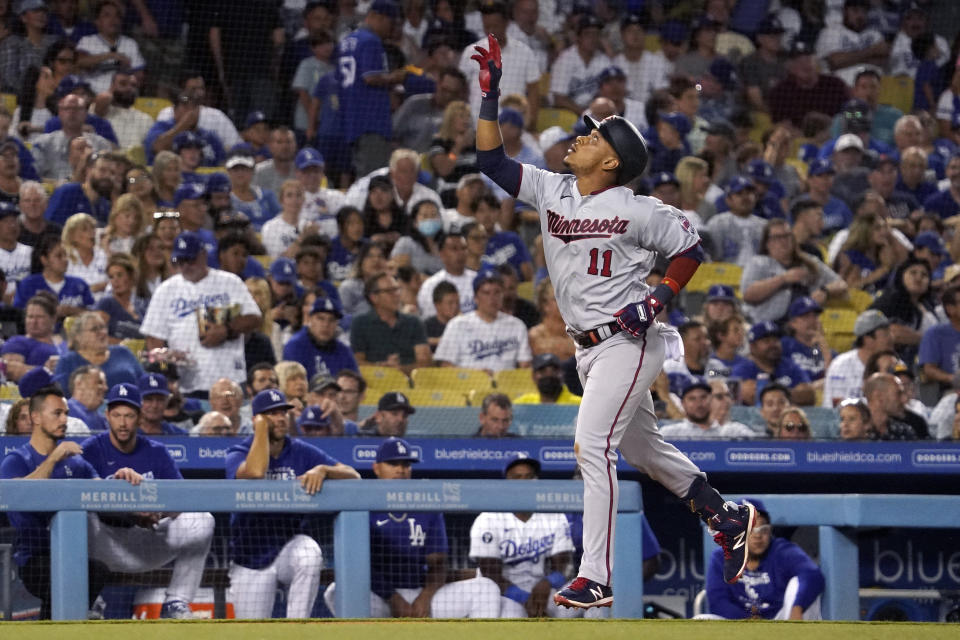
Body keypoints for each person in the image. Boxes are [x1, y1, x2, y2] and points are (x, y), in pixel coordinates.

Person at [472, 33, 754, 609]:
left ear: (611, 160)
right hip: (587, 347)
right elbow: (490, 162)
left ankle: (595, 573)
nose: (579, 136)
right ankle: (722, 512)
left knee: (591, 445)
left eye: (592, 135)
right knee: (644, 450)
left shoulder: (637, 207)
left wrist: (660, 295)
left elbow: (692, 248)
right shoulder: (553, 190)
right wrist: (490, 95)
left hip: (627, 341)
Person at [325, 437, 500, 618]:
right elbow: (358, 563)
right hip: (378, 597)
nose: (400, 470)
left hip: (420, 593)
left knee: (486, 588)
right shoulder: (361, 503)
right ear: (376, 468)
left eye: (406, 464)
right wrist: (393, 598)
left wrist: (425, 597)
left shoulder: (426, 504)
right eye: (393, 463)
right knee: (335, 590)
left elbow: (438, 563)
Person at [80, 382, 214, 619]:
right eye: (117, 415)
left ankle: (176, 602)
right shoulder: (91, 449)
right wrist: (130, 510)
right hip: (105, 543)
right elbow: (81, 497)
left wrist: (158, 511)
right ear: (107, 416)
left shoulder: (156, 451)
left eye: (129, 415)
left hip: (148, 540)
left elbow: (181, 499)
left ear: (139, 417)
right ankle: (89, 597)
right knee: (79, 516)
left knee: (202, 519)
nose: (123, 423)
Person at [226, 389, 360, 619]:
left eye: (283, 413)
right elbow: (256, 471)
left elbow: (353, 475)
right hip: (250, 556)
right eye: (272, 414)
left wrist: (323, 469)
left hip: (288, 546)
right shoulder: (237, 452)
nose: (281, 418)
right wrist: (260, 430)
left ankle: (296, 628)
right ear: (256, 419)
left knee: (310, 554)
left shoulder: (299, 450)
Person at [0, 384, 109, 619]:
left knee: (98, 571)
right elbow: (18, 495)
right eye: (57, 413)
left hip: (73, 553)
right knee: (60, 577)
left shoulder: (76, 463)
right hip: (35, 558)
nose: (64, 420)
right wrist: (54, 457)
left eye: (66, 413)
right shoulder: (17, 459)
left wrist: (121, 478)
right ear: (36, 417)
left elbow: (103, 490)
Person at [140, 231, 261, 397]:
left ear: (203, 255)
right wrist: (166, 361)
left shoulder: (229, 282)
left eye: (190, 260)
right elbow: (154, 338)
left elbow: (254, 318)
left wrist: (226, 331)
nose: (185, 266)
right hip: (187, 384)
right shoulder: (166, 290)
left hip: (229, 379)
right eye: (180, 261)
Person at [469, 453, 580, 619]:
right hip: (504, 593)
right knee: (512, 618)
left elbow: (563, 567)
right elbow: (490, 574)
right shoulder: (488, 518)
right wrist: (523, 598)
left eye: (529, 477)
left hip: (542, 590)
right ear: (507, 482)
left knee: (578, 602)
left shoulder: (554, 515)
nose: (524, 482)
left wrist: (548, 582)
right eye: (517, 477)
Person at [703, 499, 824, 620]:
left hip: (781, 622)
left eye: (763, 529)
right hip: (740, 624)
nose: (758, 536)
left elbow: (812, 575)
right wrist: (748, 620)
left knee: (799, 585)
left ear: (770, 530)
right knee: (701, 619)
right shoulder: (720, 558)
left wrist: (797, 607)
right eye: (750, 530)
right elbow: (717, 601)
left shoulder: (782, 551)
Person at [740, 219, 847, 323]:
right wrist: (783, 279)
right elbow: (748, 295)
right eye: (777, 237)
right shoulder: (758, 263)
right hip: (770, 324)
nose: (783, 241)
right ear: (767, 243)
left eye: (787, 236)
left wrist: (825, 291)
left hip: (805, 323)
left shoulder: (809, 262)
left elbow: (842, 284)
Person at [435, 269, 532, 372]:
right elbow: (445, 367)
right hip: (468, 385)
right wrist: (475, 376)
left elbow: (525, 366)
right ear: (476, 298)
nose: (492, 298)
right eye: (486, 293)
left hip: (508, 385)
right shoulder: (458, 325)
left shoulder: (516, 325)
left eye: (497, 292)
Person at [350, 271, 431, 374]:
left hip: (411, 383)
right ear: (374, 297)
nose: (396, 295)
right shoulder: (360, 323)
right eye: (390, 291)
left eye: (397, 289)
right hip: (375, 382)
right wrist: (381, 367)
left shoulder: (414, 322)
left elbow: (426, 363)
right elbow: (357, 362)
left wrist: (400, 370)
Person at [53, 310, 143, 390]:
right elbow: (61, 395)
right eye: (94, 329)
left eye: (103, 327)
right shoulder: (68, 361)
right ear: (78, 337)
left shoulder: (123, 352)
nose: (102, 332)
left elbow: (143, 380)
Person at [822, 310, 893, 407]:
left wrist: (884, 371)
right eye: (885, 335)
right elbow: (836, 406)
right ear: (868, 339)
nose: (891, 338)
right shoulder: (841, 365)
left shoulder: (895, 363)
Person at [13, 233, 94, 314]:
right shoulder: (28, 284)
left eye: (66, 255)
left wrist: (72, 310)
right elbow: (18, 313)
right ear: (44, 260)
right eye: (59, 256)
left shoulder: (79, 284)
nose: (65, 259)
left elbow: (93, 313)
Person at [282, 296, 357, 382]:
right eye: (320, 318)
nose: (326, 324)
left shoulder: (344, 351)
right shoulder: (295, 347)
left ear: (337, 324)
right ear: (310, 319)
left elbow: (354, 383)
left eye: (331, 320)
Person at [660, 376, 756, 439]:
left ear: (711, 399)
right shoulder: (670, 433)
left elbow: (762, 449)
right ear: (683, 403)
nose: (699, 403)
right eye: (692, 399)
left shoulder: (733, 432)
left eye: (703, 397)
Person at [703, 177, 766, 265]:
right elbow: (711, 258)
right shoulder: (717, 223)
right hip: (724, 275)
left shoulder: (764, 225)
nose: (745, 197)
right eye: (739, 194)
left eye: (749, 193)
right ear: (728, 200)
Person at [1, 293, 61, 381]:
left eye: (39, 317)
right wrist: (44, 370)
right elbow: (9, 370)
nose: (33, 321)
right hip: (36, 392)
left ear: (53, 318)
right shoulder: (18, 342)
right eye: (30, 317)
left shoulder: (62, 344)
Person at [781, 297, 834, 385]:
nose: (812, 321)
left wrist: (825, 351)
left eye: (815, 316)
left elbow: (835, 380)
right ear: (792, 323)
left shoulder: (829, 352)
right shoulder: (784, 346)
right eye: (806, 316)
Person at [918, 286, 960, 390]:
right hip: (952, 392)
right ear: (950, 308)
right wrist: (953, 379)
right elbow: (929, 370)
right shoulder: (935, 334)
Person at [513, 353, 581, 405]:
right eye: (542, 371)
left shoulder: (578, 404)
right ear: (533, 376)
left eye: (554, 370)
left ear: (562, 374)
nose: (549, 375)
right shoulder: (523, 404)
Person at [65, 364, 108, 431]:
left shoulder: (101, 419)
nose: (105, 388)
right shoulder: (65, 411)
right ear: (79, 384)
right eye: (99, 382)